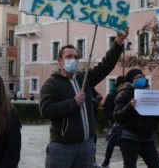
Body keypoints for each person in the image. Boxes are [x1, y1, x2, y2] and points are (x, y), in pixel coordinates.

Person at [39, 28, 128, 168]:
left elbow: (106, 65)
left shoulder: (84, 78)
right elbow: (46, 111)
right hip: (62, 147)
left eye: (76, 57)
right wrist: (73, 103)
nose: (73, 60)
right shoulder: (51, 83)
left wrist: (118, 41)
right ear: (60, 61)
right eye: (69, 57)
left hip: (87, 145)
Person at [114, 69, 159, 168]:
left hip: (147, 138)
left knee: (156, 165)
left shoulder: (151, 95)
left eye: (142, 77)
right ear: (131, 81)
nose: (141, 79)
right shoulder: (124, 95)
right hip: (130, 138)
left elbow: (158, 118)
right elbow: (117, 116)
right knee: (130, 165)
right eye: (137, 77)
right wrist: (130, 106)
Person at [101, 75, 125, 168]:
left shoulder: (123, 93)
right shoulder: (112, 95)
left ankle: (126, 162)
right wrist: (114, 119)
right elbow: (107, 109)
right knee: (111, 143)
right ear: (121, 84)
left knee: (124, 143)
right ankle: (106, 161)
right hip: (114, 123)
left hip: (122, 123)